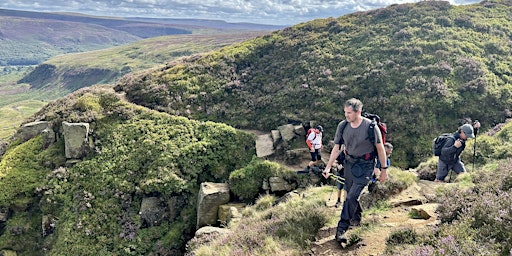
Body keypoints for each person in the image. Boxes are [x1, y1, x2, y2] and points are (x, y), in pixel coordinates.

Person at [322, 98, 388, 245]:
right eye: (345, 112)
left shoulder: (371, 127)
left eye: (349, 113)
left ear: (358, 112)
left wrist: (384, 170)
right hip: (349, 164)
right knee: (351, 194)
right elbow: (337, 147)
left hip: (366, 165)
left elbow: (380, 148)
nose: (346, 116)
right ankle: (356, 219)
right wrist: (328, 166)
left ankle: (341, 229)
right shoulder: (343, 126)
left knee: (351, 197)